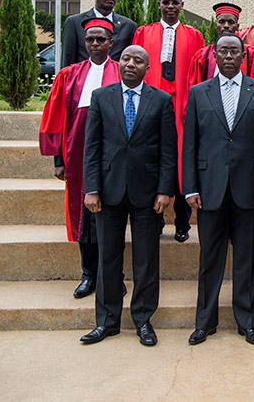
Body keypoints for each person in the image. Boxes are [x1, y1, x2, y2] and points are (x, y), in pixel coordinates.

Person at [183, 33, 254, 347]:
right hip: (209, 189)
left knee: (245, 260)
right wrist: (190, 188)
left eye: (233, 51)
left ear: (242, 56)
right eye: (222, 51)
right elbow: (190, 145)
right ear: (214, 55)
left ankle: (247, 322)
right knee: (209, 260)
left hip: (249, 190)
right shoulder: (198, 92)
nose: (227, 56)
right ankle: (204, 323)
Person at [80, 45, 177, 347]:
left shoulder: (161, 100)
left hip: (147, 194)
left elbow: (168, 151)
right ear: (118, 63)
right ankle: (107, 322)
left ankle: (143, 320)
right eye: (126, 59)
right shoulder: (101, 97)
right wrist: (91, 189)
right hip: (107, 192)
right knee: (108, 258)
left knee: (146, 260)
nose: (131, 64)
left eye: (138, 60)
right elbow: (92, 147)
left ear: (148, 67)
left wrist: (165, 190)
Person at [40, 17, 121, 299]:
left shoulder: (123, 72)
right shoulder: (70, 75)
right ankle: (88, 274)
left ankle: (113, 275)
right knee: (83, 216)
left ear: (112, 43)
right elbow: (56, 117)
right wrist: (58, 160)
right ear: (84, 43)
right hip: (77, 155)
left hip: (113, 156)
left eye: (101, 39)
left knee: (111, 215)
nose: (95, 44)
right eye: (90, 40)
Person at [133, 0, 205, 243]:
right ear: (159, 5)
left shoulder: (194, 35)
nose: (171, 6)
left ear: (182, 5)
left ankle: (183, 222)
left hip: (182, 105)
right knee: (154, 158)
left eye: (175, 2)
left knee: (181, 161)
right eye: (166, 2)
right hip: (152, 104)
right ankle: (157, 219)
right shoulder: (144, 32)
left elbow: (199, 73)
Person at [61, 0, 135, 68]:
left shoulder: (128, 26)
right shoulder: (74, 23)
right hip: (84, 78)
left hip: (115, 78)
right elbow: (67, 59)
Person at [188, 3, 254, 85]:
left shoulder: (251, 55)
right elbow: (196, 89)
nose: (226, 26)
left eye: (231, 22)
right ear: (216, 25)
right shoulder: (203, 55)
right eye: (221, 22)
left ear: (237, 26)